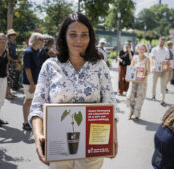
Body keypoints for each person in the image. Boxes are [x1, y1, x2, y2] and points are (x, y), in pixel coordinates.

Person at [29, 13, 118, 169]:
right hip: (58, 146)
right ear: (63, 36)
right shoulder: (50, 66)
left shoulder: (99, 66)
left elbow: (109, 103)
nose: (79, 40)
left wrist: (113, 137)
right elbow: (37, 107)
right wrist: (38, 136)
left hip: (93, 146)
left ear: (90, 38)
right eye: (73, 34)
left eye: (84, 35)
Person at [22, 32, 44, 131]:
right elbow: (27, 68)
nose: (43, 42)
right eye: (41, 39)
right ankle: (25, 122)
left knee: (31, 101)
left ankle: (29, 121)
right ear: (35, 40)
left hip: (35, 80)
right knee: (28, 100)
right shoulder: (28, 52)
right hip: (29, 81)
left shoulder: (36, 51)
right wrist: (31, 83)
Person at [127, 44, 150, 120]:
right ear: (137, 50)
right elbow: (131, 68)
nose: (141, 51)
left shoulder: (147, 59)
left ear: (145, 50)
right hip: (134, 81)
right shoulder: (135, 58)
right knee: (130, 96)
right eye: (140, 49)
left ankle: (137, 114)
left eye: (143, 49)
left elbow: (148, 71)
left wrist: (145, 77)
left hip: (142, 82)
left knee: (140, 98)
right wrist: (128, 77)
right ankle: (131, 111)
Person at [151, 37, 170, 106]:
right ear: (158, 41)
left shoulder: (166, 50)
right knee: (154, 83)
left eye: (163, 42)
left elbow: (167, 59)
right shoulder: (154, 49)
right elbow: (152, 59)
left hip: (164, 69)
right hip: (156, 68)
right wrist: (153, 66)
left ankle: (162, 99)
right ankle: (153, 95)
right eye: (161, 42)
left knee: (163, 84)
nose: (162, 43)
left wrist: (168, 66)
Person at [6, 29, 20, 99]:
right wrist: (14, 60)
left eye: (14, 35)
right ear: (9, 36)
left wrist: (17, 59)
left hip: (13, 62)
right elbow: (7, 55)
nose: (13, 36)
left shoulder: (14, 43)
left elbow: (14, 54)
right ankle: (7, 93)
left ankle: (9, 92)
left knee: (12, 77)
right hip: (8, 62)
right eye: (12, 35)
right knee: (8, 77)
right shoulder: (7, 43)